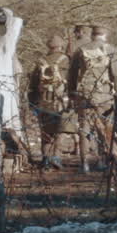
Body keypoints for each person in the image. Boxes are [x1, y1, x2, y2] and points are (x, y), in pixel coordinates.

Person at [68, 25, 117, 172]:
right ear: (105, 35)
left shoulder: (81, 50)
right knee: (104, 129)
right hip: (105, 97)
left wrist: (71, 93)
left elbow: (71, 75)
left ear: (92, 35)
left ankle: (84, 163)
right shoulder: (111, 50)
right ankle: (101, 161)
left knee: (84, 129)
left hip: (85, 96)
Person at [28, 35, 71, 168]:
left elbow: (33, 84)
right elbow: (72, 80)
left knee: (45, 130)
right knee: (59, 130)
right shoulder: (66, 60)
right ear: (61, 46)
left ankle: (45, 158)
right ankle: (56, 157)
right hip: (61, 101)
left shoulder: (41, 61)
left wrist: (33, 102)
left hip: (43, 100)